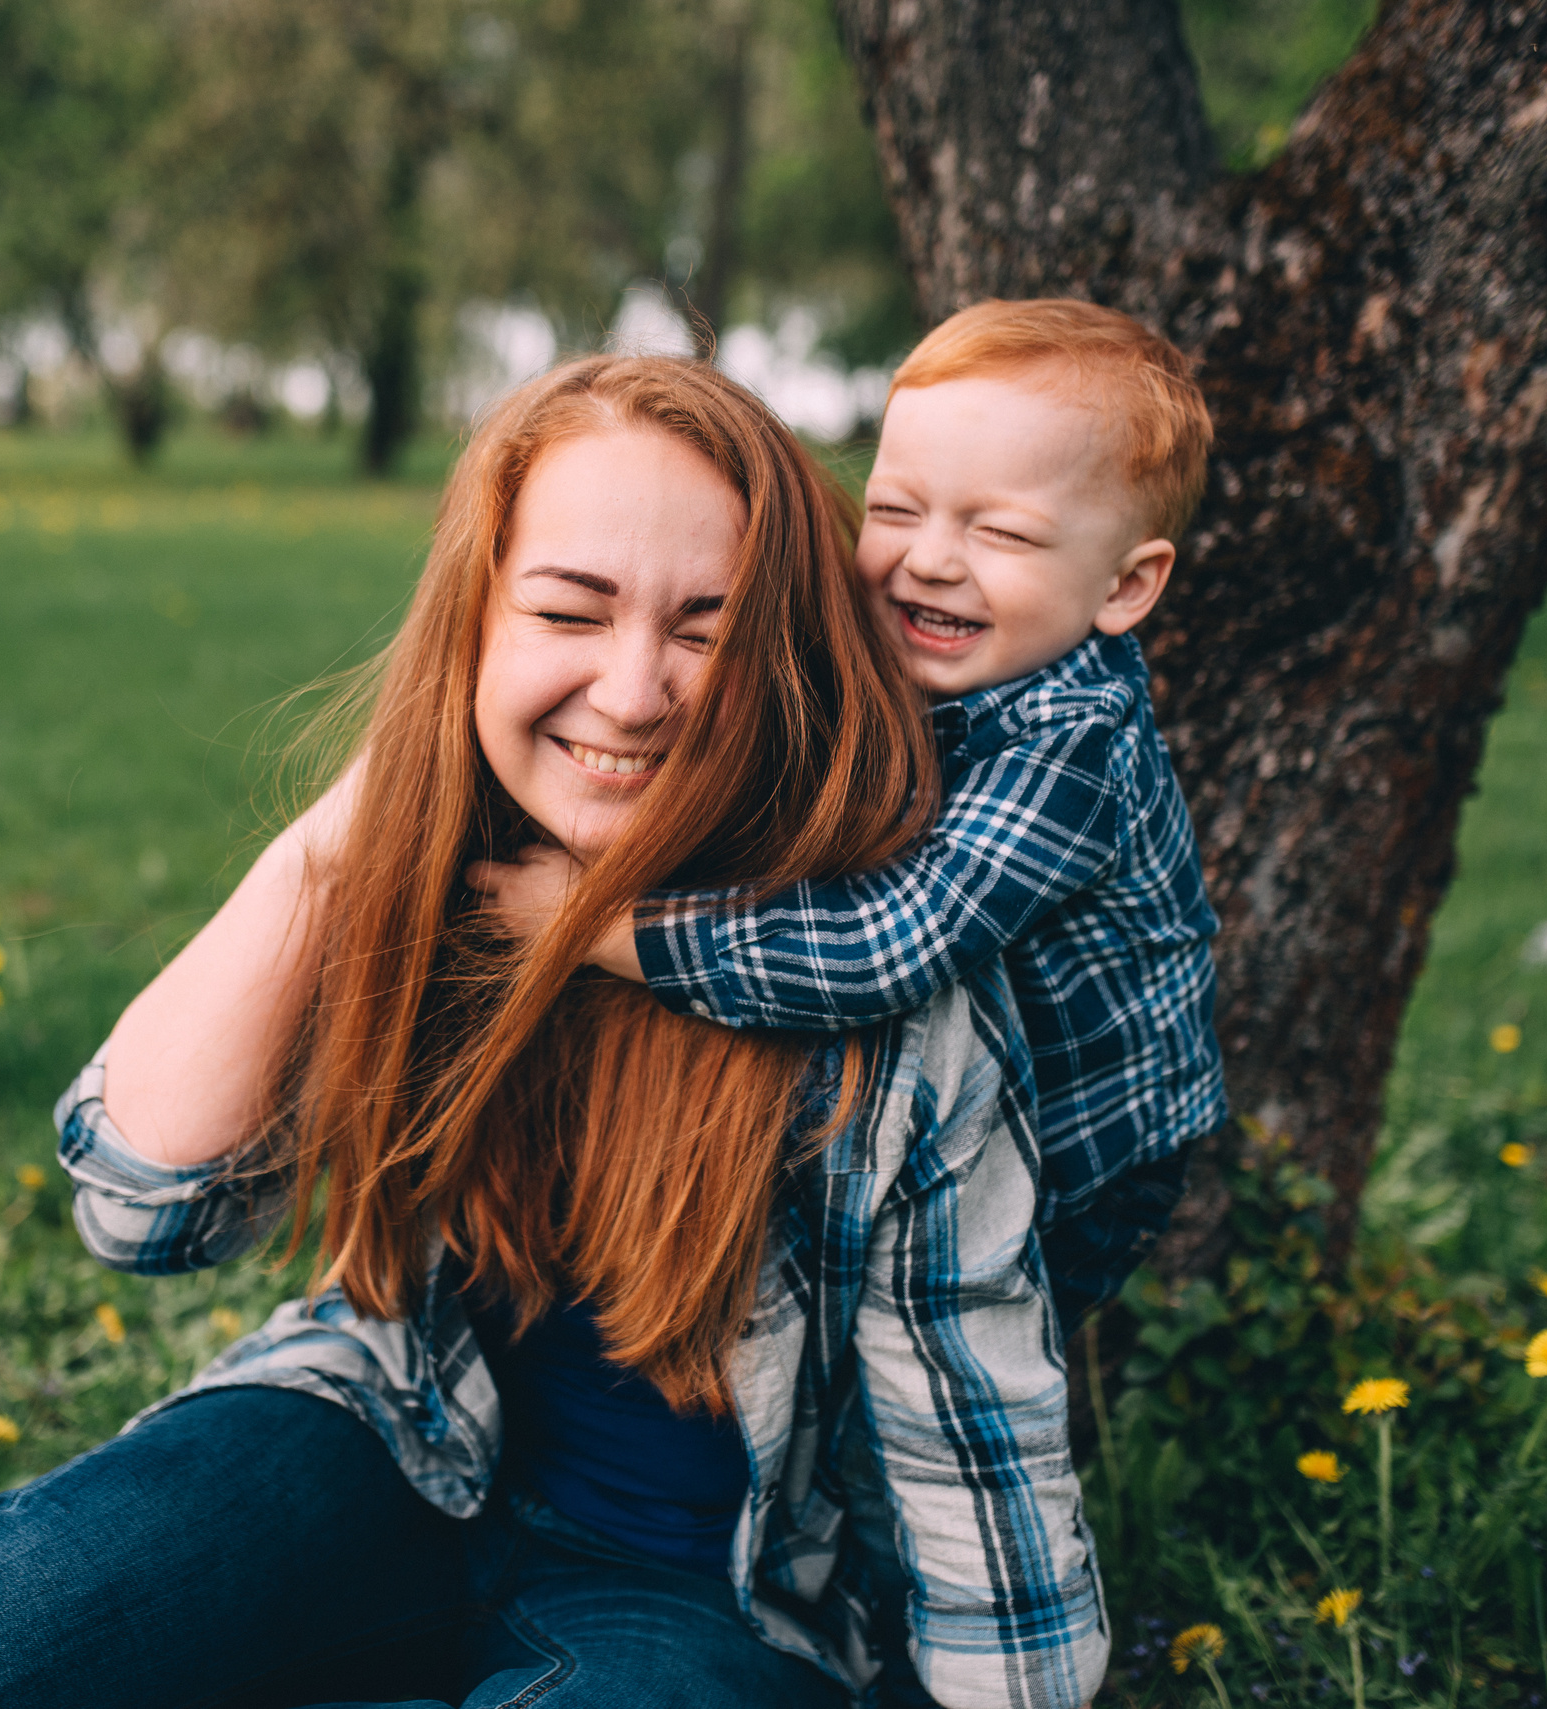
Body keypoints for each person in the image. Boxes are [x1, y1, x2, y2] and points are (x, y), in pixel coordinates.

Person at [0, 355, 1105, 1709]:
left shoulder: (875, 1009)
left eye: (705, 630)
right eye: (569, 609)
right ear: (473, 622)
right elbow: (142, 1211)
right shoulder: (430, 901)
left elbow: (976, 1447)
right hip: (384, 1437)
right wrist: (351, 839)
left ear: (782, 660)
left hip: (696, 1597)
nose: (634, 689)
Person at [472, 299, 1227, 1327]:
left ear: (1126, 586)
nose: (930, 559)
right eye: (898, 510)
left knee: (960, 1322)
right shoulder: (937, 656)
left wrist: (600, 928)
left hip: (1087, 1145)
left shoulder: (1074, 744)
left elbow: (884, 944)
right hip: (978, 1094)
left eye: (999, 531)